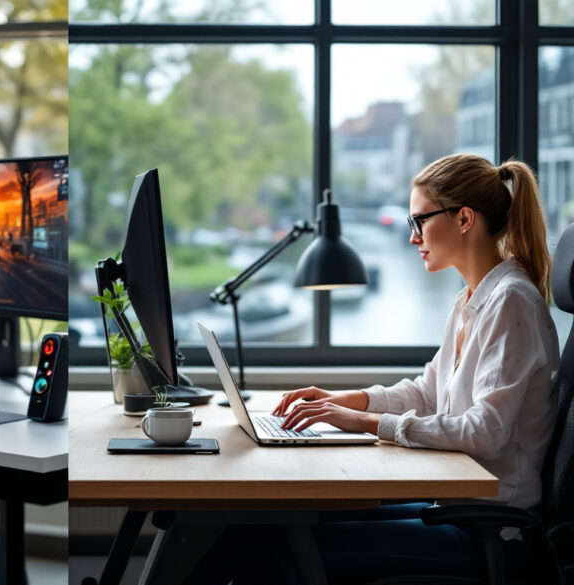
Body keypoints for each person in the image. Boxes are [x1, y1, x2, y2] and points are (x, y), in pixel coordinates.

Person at [193, 154, 560, 584]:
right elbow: (428, 391)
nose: (412, 237)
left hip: (493, 532)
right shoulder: (471, 300)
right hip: (456, 509)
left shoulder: (511, 301)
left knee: (282, 550)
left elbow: (484, 431)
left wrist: (364, 421)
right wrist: (344, 401)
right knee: (262, 527)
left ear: (463, 219)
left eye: (419, 221)